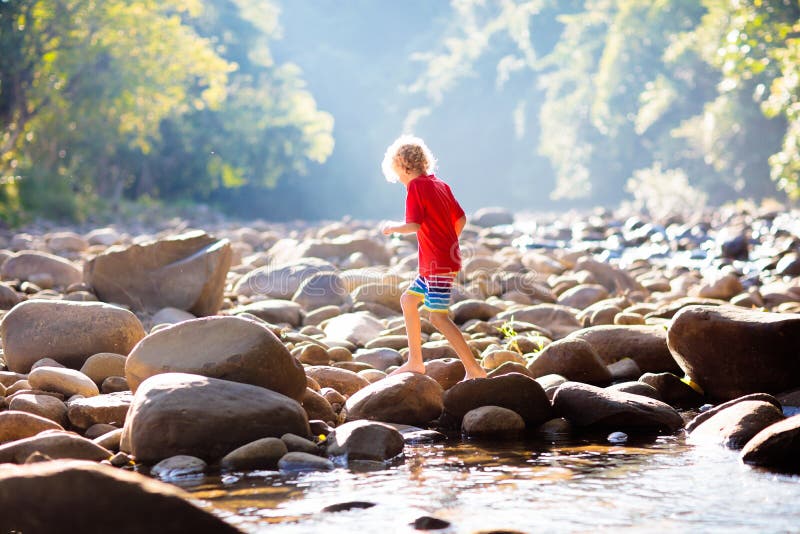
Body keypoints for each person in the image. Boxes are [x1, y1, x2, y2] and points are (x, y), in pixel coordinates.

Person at [380, 135, 487, 380]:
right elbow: (461, 219)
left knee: (437, 316)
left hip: (437, 263)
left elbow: (414, 224)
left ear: (403, 167)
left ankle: (474, 369)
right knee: (408, 300)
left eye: (397, 173)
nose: (398, 179)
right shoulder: (440, 184)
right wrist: (448, 242)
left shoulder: (416, 187)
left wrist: (392, 228)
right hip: (436, 262)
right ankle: (415, 361)